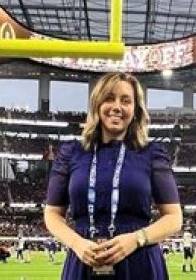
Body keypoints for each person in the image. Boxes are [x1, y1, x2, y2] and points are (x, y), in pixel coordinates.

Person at [44, 72, 182, 280]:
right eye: (109, 98)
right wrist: (77, 243)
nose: (117, 107)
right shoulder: (71, 153)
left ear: (135, 110)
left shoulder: (152, 153)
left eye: (126, 101)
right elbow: (52, 214)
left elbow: (174, 218)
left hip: (139, 261)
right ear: (97, 105)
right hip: (84, 259)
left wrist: (136, 239)